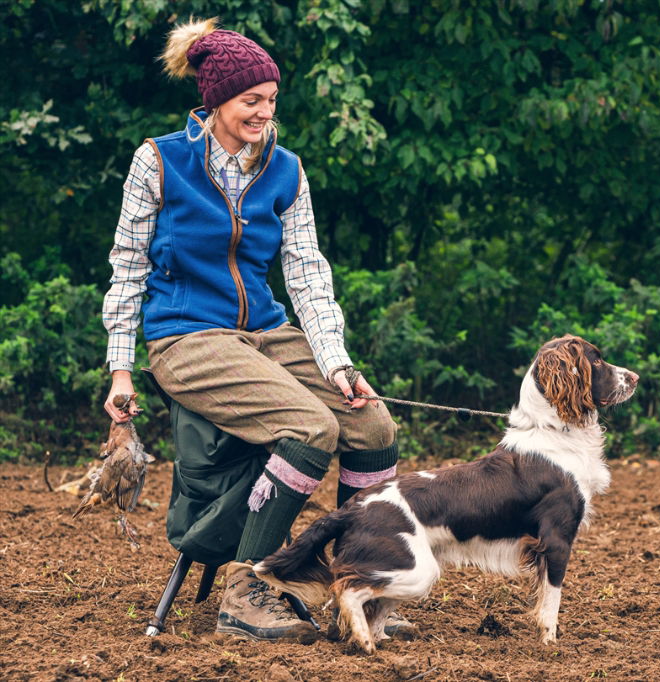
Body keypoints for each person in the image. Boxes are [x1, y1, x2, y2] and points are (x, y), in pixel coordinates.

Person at [102, 17, 403, 643]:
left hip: (265, 332)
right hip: (186, 338)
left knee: (373, 425)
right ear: (215, 102)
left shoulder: (287, 170)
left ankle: (357, 588)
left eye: (271, 100)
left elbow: (307, 272)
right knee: (309, 427)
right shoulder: (159, 160)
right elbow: (127, 268)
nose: (265, 112)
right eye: (251, 101)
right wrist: (121, 367)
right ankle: (249, 588)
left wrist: (337, 363)